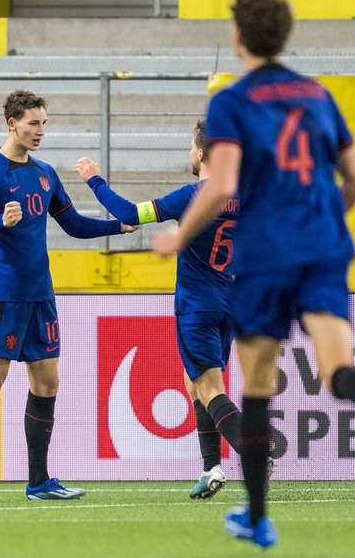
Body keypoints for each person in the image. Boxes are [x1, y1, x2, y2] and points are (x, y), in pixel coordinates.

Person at [153, 0, 355, 549]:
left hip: (266, 254)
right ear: (285, 34)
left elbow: (220, 188)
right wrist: (320, 223)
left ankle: (258, 517)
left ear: (238, 35)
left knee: (258, 384)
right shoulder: (317, 95)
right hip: (322, 245)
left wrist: (178, 240)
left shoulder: (230, 101)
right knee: (336, 365)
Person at [0, 90, 134, 502]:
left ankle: (38, 482)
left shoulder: (46, 173)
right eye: (33, 123)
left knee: (47, 383)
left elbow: (71, 223)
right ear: (12, 123)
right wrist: (0, 219)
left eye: (44, 123)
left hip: (40, 295)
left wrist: (114, 228)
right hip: (4, 294)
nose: (40, 131)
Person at [75, 119, 263, 500]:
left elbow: (130, 213)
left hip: (197, 304)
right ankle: (211, 467)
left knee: (209, 388)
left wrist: (94, 180)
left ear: (198, 153)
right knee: (195, 382)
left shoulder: (193, 196)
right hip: (232, 300)